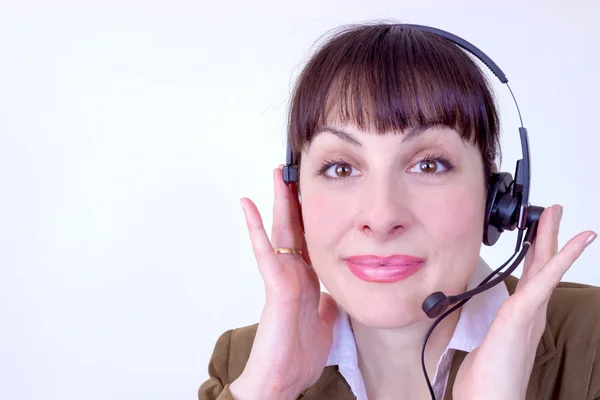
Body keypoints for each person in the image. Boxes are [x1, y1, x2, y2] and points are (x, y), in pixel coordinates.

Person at [198, 22, 599, 400]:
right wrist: (268, 388)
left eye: (428, 165)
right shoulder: (244, 364)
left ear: (497, 198)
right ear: (295, 197)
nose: (382, 216)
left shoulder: (592, 343)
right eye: (341, 168)